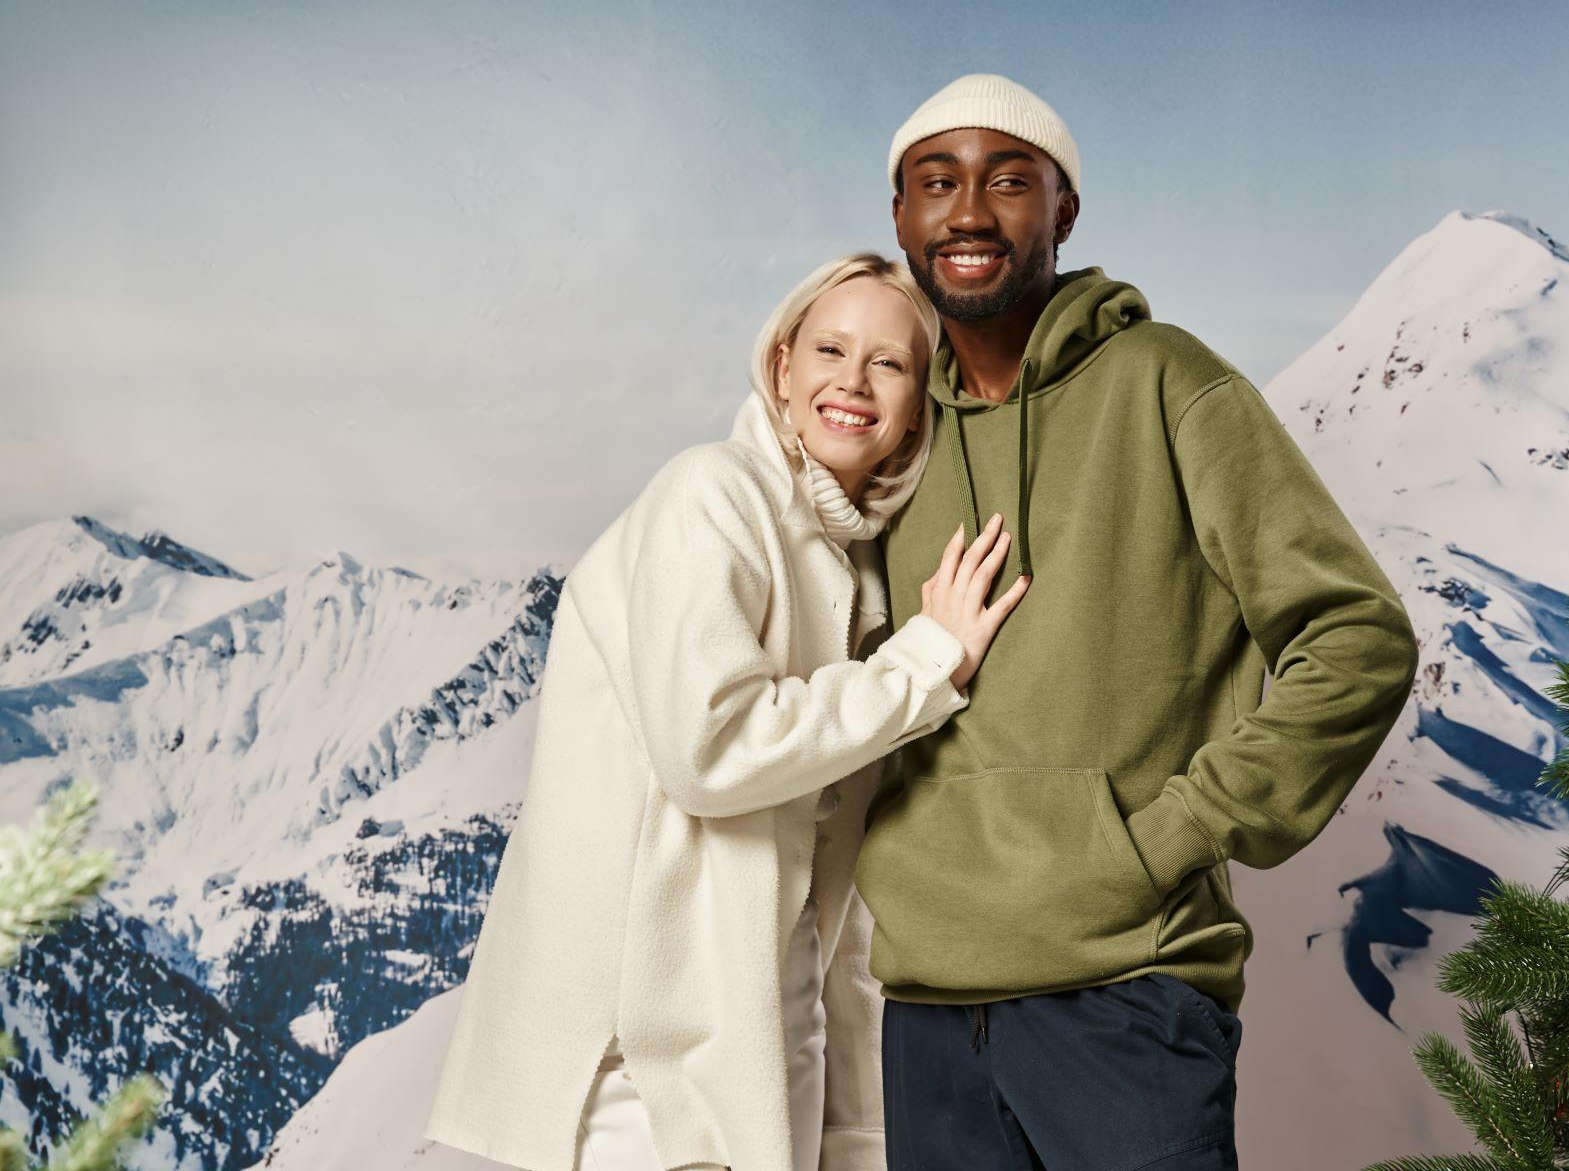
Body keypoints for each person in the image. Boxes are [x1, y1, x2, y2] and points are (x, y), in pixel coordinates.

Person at [855, 74, 1421, 1171]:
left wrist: (1170, 835)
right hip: (927, 1005)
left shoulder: (1166, 382)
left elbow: (1358, 636)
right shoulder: (897, 428)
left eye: (1007, 182)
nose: (968, 212)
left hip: (1125, 994)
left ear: (1063, 212)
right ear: (901, 216)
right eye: (937, 183)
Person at [422, 251, 1030, 1171]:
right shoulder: (710, 493)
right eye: (830, 350)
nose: (853, 382)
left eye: (888, 363)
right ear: (782, 368)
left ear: (916, 407)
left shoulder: (861, 558)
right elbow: (710, 749)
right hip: (643, 1048)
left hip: (764, 1027)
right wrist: (923, 664)